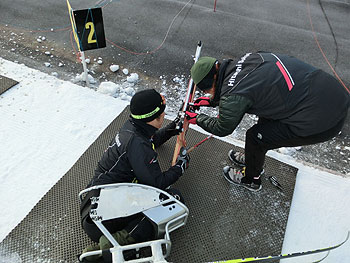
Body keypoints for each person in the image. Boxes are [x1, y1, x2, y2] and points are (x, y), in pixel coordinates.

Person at [186, 52, 349, 192]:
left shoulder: (233, 93)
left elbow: (223, 127)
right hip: (326, 92)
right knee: (264, 119)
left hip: (321, 121)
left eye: (207, 91)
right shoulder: (248, 58)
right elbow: (239, 89)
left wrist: (197, 119)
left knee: (256, 137)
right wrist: (213, 100)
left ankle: (251, 179)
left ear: (212, 80)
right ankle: (253, 160)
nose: (207, 94)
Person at [80, 89, 189, 261]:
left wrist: (170, 130)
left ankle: (111, 242)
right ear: (153, 118)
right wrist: (180, 167)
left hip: (93, 203)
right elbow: (157, 183)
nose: (165, 114)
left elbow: (148, 141)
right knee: (174, 199)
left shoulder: (132, 128)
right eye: (162, 112)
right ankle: (110, 248)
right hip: (101, 221)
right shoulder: (138, 145)